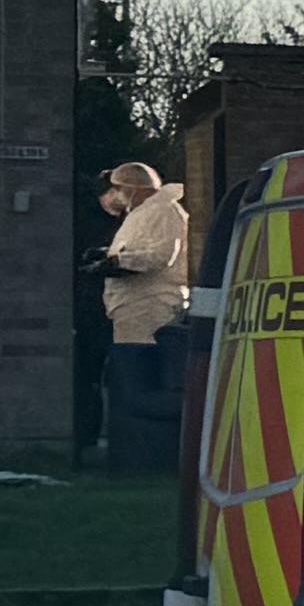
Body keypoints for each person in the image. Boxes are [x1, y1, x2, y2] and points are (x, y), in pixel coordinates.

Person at [93, 163, 188, 470]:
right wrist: (105, 257)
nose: (115, 195)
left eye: (119, 188)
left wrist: (119, 262)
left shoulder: (164, 211)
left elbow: (161, 255)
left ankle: (148, 460)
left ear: (134, 188)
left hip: (152, 307)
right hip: (132, 308)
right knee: (128, 377)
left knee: (143, 381)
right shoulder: (139, 215)